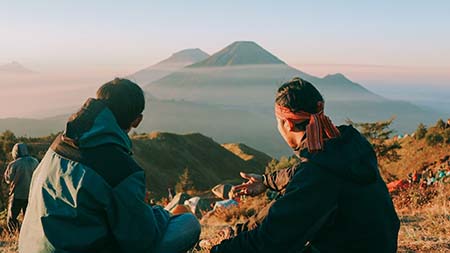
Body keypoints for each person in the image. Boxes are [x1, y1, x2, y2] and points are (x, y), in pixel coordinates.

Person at [209, 77, 400, 253]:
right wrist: (266, 181)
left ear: (288, 124)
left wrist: (220, 250)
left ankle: (234, 235)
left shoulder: (318, 174)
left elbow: (271, 240)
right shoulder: (347, 145)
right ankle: (237, 232)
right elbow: (301, 173)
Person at [19, 78, 200, 253]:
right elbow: (141, 240)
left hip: (33, 247)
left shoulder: (58, 145)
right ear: (137, 120)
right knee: (188, 223)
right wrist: (161, 215)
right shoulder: (120, 169)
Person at [3, 143, 39, 232]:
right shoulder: (34, 161)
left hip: (17, 195)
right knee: (28, 218)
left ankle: (17, 233)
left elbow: (8, 179)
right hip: (31, 195)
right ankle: (27, 234)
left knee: (11, 219)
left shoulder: (14, 164)